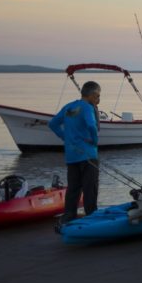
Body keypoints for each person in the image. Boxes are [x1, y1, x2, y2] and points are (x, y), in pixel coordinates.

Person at [49, 81, 101, 223]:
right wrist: (95, 141)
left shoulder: (68, 107)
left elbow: (52, 123)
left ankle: (69, 216)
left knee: (73, 189)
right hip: (88, 155)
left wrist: (64, 136)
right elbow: (91, 125)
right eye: (98, 97)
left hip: (71, 156)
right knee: (90, 188)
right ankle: (91, 217)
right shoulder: (87, 107)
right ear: (92, 95)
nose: (98, 100)